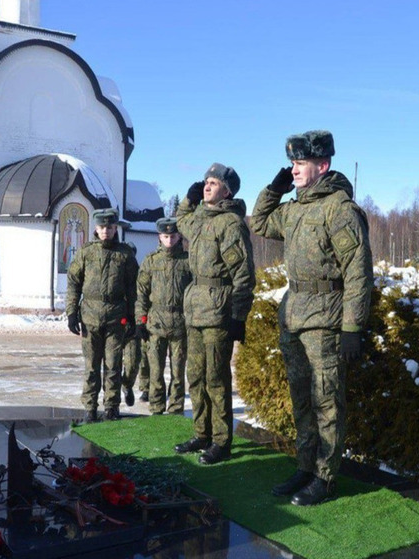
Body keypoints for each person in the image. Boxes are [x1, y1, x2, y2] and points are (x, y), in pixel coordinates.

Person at [250, 130, 373, 505]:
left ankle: (325, 477)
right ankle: (305, 467)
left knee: (327, 402)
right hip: (295, 315)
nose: (294, 169)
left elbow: (358, 272)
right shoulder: (294, 208)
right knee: (301, 399)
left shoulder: (340, 209)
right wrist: (275, 188)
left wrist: (353, 327)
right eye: (292, 163)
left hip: (326, 319)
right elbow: (259, 222)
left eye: (300, 163)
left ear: (323, 164)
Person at [174, 163, 255, 465]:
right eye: (205, 182)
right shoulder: (200, 218)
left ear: (227, 190)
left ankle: (221, 440)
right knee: (194, 376)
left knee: (216, 379)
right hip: (195, 309)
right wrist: (188, 198)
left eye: (213, 183)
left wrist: (239, 316)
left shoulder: (230, 224)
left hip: (219, 311)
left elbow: (244, 275)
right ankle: (202, 433)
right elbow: (181, 220)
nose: (206, 186)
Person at [66, 208, 138, 422]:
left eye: (110, 227)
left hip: (116, 317)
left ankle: (111, 407)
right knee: (91, 366)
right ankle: (90, 407)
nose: (106, 230)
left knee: (113, 365)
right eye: (102, 227)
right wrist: (71, 313)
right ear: (96, 228)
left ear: (116, 228)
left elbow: (134, 289)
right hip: (90, 317)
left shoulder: (125, 255)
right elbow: (73, 284)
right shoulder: (86, 253)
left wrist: (134, 317)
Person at [135, 217, 192, 415]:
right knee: (155, 370)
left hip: (180, 323)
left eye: (173, 236)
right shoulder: (151, 261)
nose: (169, 240)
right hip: (156, 323)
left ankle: (176, 407)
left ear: (179, 237)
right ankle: (156, 406)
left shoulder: (188, 261)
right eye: (166, 236)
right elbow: (141, 292)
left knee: (178, 371)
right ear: (160, 237)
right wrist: (140, 320)